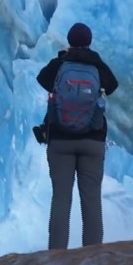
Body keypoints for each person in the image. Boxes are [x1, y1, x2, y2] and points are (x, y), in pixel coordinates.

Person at [36, 22, 118, 249]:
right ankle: (91, 257)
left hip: (60, 140)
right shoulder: (98, 66)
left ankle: (57, 256)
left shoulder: (60, 64)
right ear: (89, 42)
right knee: (91, 200)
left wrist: (64, 61)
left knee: (61, 199)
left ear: (70, 41)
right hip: (92, 141)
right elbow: (112, 86)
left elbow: (42, 79)